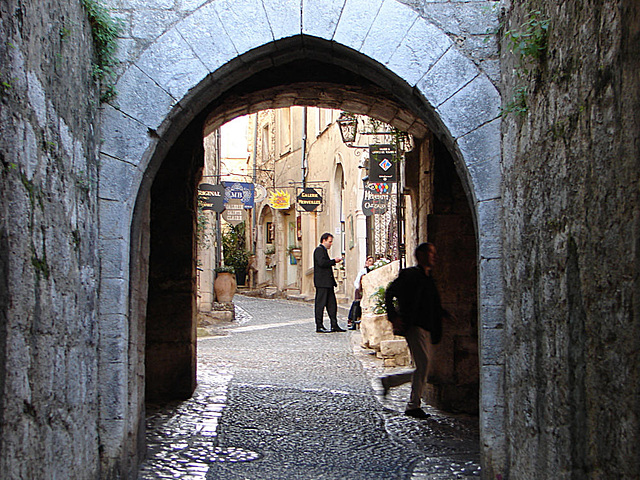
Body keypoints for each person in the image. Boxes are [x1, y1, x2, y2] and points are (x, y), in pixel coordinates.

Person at [379, 242, 452, 419]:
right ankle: (413, 405)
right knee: (423, 365)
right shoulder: (410, 275)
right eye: (430, 252)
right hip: (414, 325)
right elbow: (390, 292)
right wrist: (394, 316)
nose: (434, 256)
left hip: (428, 326)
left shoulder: (429, 278)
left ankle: (390, 381)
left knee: (423, 367)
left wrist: (443, 314)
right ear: (420, 255)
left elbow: (432, 303)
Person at [313, 232, 344, 333]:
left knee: (332, 305)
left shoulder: (323, 251)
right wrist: (333, 261)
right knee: (320, 304)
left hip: (328, 282)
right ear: (324, 241)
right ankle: (319, 325)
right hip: (322, 283)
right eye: (329, 242)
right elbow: (322, 263)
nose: (331, 244)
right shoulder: (319, 250)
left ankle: (334, 325)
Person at [347, 256, 375, 329]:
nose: (368, 262)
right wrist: (360, 288)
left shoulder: (374, 271)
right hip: (361, 290)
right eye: (367, 261)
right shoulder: (363, 271)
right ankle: (353, 321)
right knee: (356, 303)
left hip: (370, 291)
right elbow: (356, 282)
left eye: (370, 261)